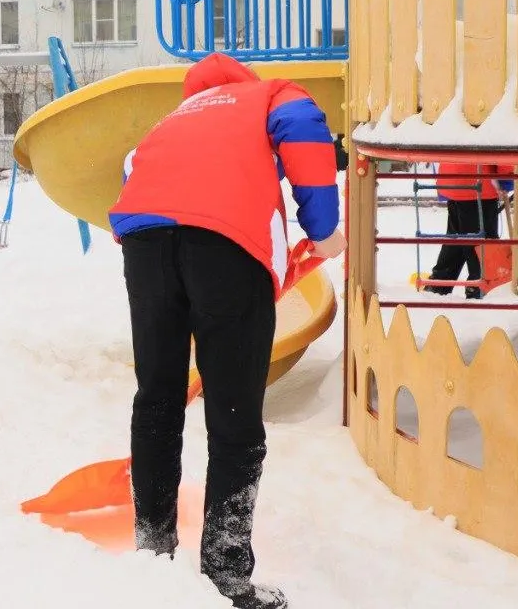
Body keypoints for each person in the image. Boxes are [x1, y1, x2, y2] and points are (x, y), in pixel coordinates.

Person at [108, 52, 345, 609]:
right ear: (244, 80)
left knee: (158, 398)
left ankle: (153, 555)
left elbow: (130, 169)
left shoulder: (174, 120)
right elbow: (306, 130)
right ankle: (226, 573)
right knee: (235, 415)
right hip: (227, 248)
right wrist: (323, 228)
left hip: (144, 244)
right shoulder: (268, 95)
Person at [424, 162, 513, 299]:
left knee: (457, 240)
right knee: (481, 246)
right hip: (479, 185)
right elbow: (499, 147)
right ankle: (479, 290)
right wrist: (506, 179)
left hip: (454, 180)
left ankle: (439, 284)